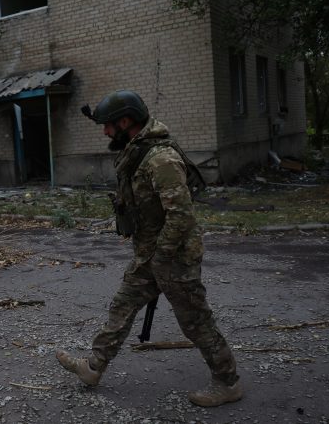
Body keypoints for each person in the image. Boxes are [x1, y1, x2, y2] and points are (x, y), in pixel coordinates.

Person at [56, 90, 242, 407]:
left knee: (196, 321)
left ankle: (228, 382)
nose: (104, 132)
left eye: (108, 125)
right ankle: (93, 367)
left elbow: (182, 216)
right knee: (122, 305)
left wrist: (162, 256)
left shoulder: (161, 160)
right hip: (151, 254)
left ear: (125, 122)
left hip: (174, 256)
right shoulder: (138, 151)